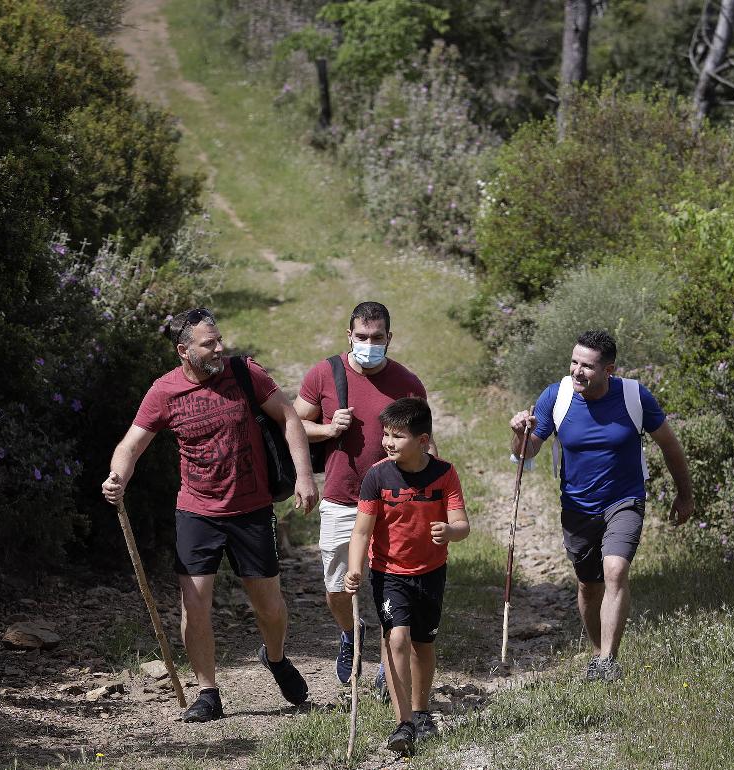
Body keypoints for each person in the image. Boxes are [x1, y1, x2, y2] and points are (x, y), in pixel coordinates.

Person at [101, 307, 319, 722]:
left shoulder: (243, 373)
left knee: (269, 607)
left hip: (252, 509)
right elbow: (131, 445)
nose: (219, 348)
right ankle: (207, 691)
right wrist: (117, 478)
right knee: (194, 604)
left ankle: (274, 658)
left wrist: (305, 477)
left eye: (219, 340)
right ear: (184, 350)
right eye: (209, 343)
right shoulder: (164, 392)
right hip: (196, 511)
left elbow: (289, 417)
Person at [509, 330, 693, 683]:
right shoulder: (556, 396)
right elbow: (525, 452)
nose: (578, 371)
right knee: (588, 586)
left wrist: (684, 494)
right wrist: (519, 431)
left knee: (615, 571)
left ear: (609, 369)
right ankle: (597, 652)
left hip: (625, 499)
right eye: (574, 362)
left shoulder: (634, 396)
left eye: (588, 366)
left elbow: (670, 445)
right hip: (577, 506)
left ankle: (608, 660)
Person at [294, 301, 429, 690]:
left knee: (393, 587)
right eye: (362, 337)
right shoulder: (325, 373)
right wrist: (327, 430)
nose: (370, 344)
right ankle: (352, 632)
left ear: (390, 338)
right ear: (349, 336)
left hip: (394, 501)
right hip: (342, 496)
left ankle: (390, 664)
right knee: (338, 588)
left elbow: (424, 441)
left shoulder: (407, 383)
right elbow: (294, 424)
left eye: (378, 338)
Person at [344, 397, 469, 756]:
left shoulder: (444, 473)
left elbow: (462, 524)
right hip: (389, 572)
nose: (388, 442)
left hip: (431, 572)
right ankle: (403, 723)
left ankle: (421, 710)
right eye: (386, 434)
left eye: (397, 436)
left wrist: (450, 531)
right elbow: (361, 532)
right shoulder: (377, 475)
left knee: (423, 644)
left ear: (423, 441)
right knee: (396, 638)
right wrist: (355, 568)